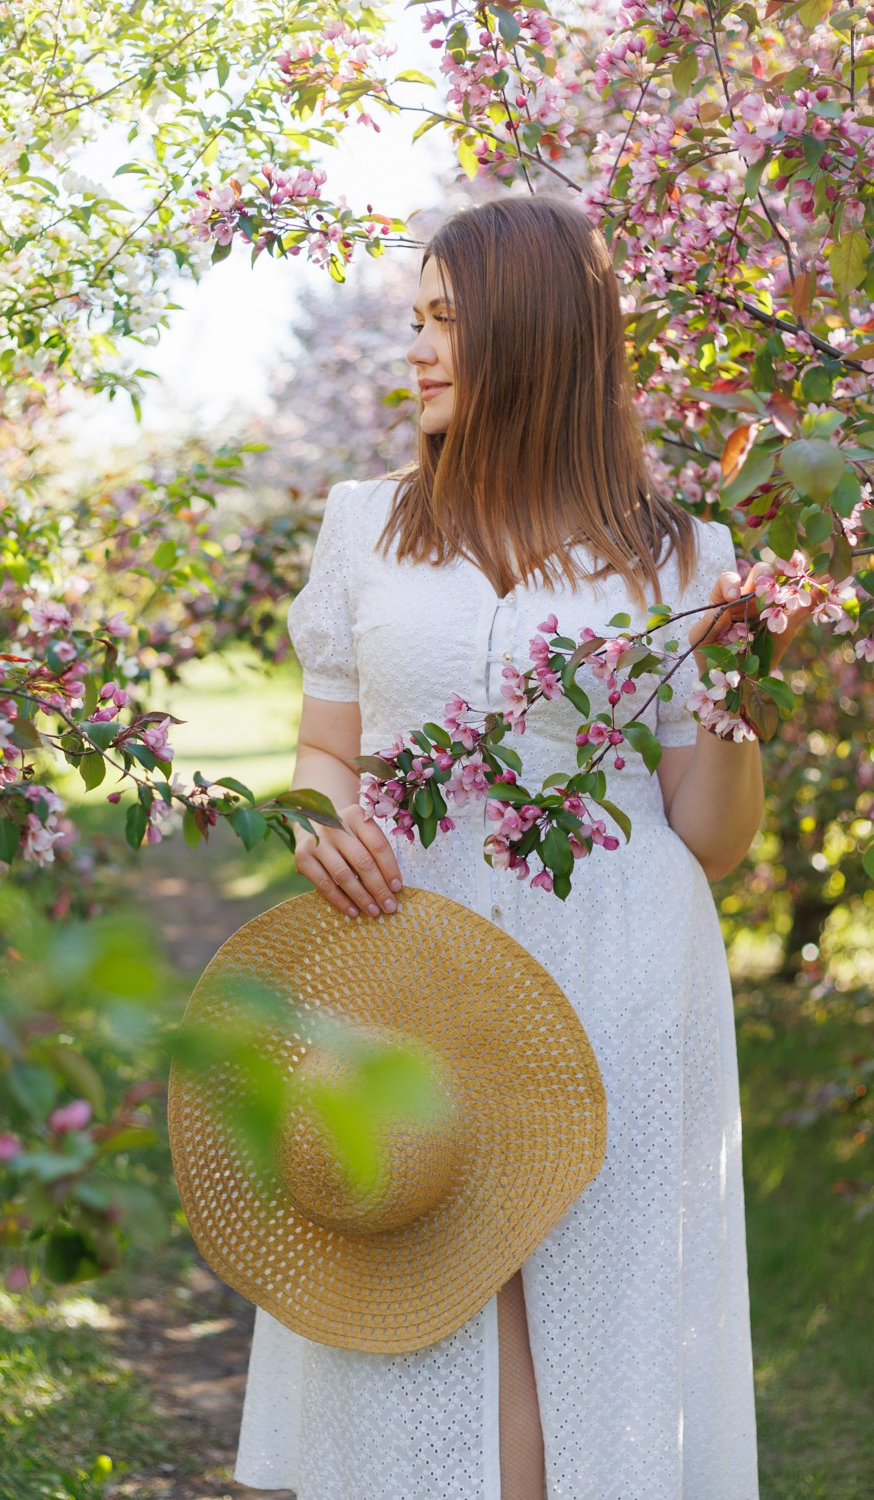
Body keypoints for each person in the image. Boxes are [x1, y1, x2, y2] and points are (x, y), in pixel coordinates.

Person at [232, 194, 804, 1500]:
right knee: (421, 1290)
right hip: (407, 954)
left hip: (614, 961)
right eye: (416, 318)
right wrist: (322, 824)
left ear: (534, 334)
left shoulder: (682, 558)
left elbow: (710, 838)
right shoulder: (367, 524)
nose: (417, 349)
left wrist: (738, 692)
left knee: (591, 1322)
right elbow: (326, 751)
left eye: (446, 320)